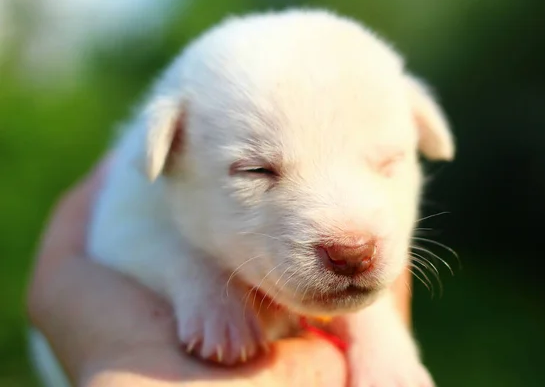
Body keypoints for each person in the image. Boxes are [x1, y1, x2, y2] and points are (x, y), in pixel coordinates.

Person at [26, 156, 412, 386]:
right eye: (259, 171)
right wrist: (193, 276)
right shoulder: (135, 178)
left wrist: (380, 341)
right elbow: (121, 234)